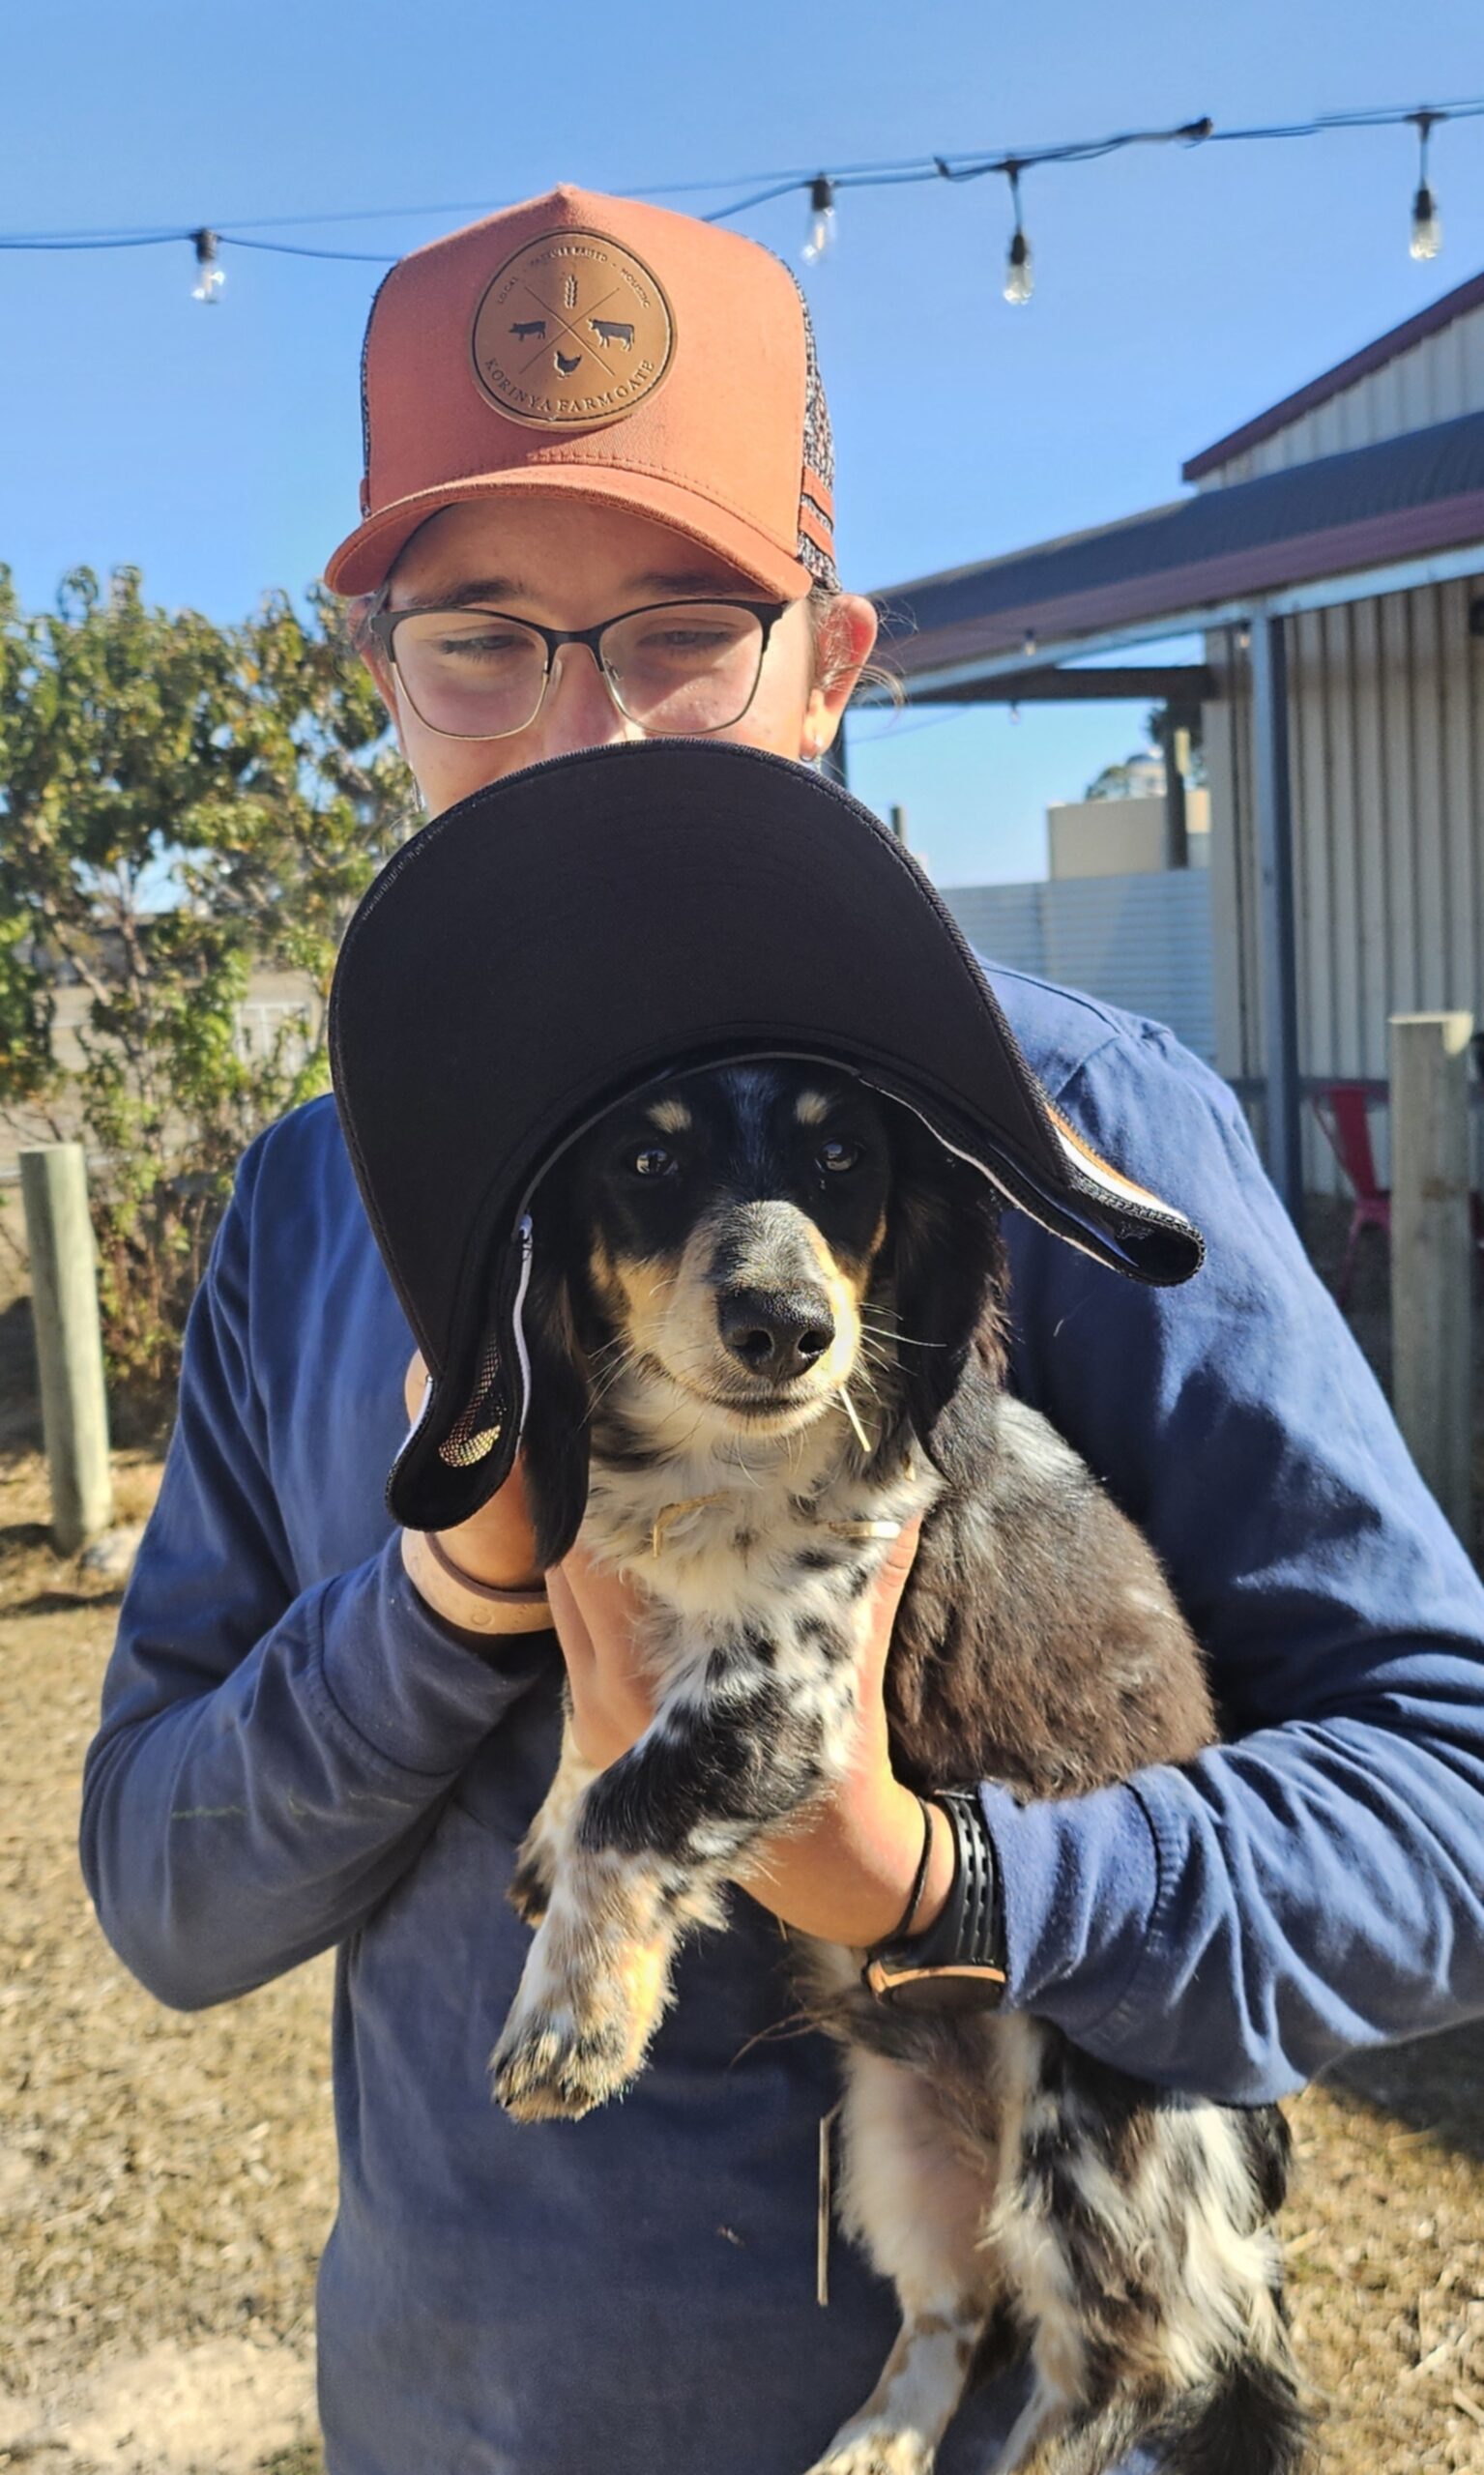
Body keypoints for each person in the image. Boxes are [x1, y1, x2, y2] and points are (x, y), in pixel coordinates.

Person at [80, 187, 1484, 2475]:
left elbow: (1452, 1809)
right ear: (383, 681)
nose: (580, 732)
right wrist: (449, 1596)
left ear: (834, 656)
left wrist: (951, 1883)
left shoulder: (1072, 1138)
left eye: (677, 628)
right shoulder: (311, 1203)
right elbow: (165, 1889)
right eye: (481, 636)